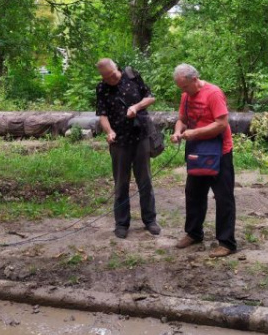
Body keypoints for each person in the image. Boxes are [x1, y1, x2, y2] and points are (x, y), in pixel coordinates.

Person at [171, 63, 236, 257]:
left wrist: (195, 132)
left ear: (194, 80)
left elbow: (222, 124)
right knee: (193, 193)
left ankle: (227, 243)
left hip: (219, 151)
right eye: (180, 88)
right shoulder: (186, 96)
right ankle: (193, 233)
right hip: (197, 150)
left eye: (184, 87)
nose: (183, 91)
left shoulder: (213, 93)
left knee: (223, 197)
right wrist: (177, 132)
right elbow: (181, 119)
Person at [95, 58, 160, 239]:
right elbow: (102, 115)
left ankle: (150, 220)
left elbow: (151, 97)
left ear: (117, 68)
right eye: (106, 77)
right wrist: (109, 131)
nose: (110, 79)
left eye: (112, 75)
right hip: (119, 142)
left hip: (140, 137)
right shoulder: (101, 88)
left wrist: (136, 107)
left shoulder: (132, 76)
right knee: (121, 183)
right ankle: (122, 223)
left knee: (145, 180)